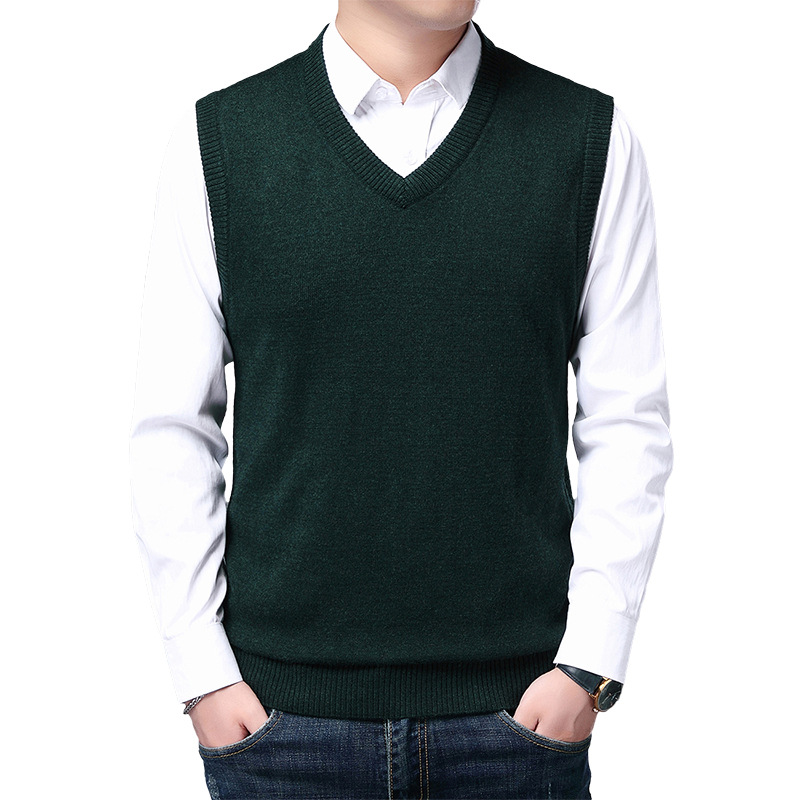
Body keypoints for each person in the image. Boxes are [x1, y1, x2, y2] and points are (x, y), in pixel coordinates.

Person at [129, 1, 673, 797]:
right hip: (281, 722)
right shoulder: (222, 140)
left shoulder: (586, 138)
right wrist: (201, 672)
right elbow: (172, 427)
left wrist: (590, 662)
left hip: (518, 723)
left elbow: (628, 419)